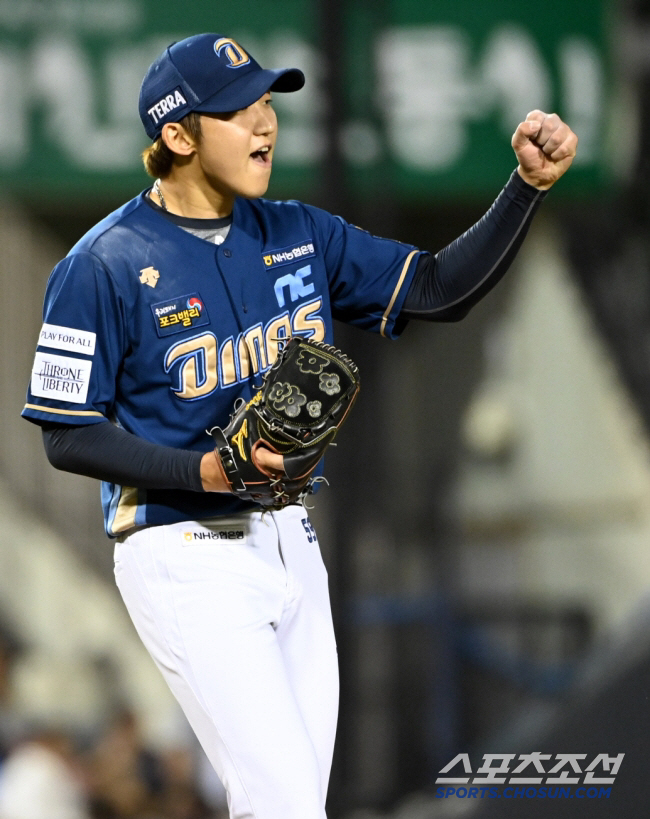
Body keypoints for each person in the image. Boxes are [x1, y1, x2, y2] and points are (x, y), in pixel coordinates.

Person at [22, 33, 577, 819]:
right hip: (185, 551)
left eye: (266, 102)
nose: (264, 124)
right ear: (177, 136)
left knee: (289, 803)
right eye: (236, 109)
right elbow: (65, 432)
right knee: (285, 805)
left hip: (293, 542)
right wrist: (202, 471)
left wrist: (525, 187)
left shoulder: (299, 233)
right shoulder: (101, 263)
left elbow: (437, 288)